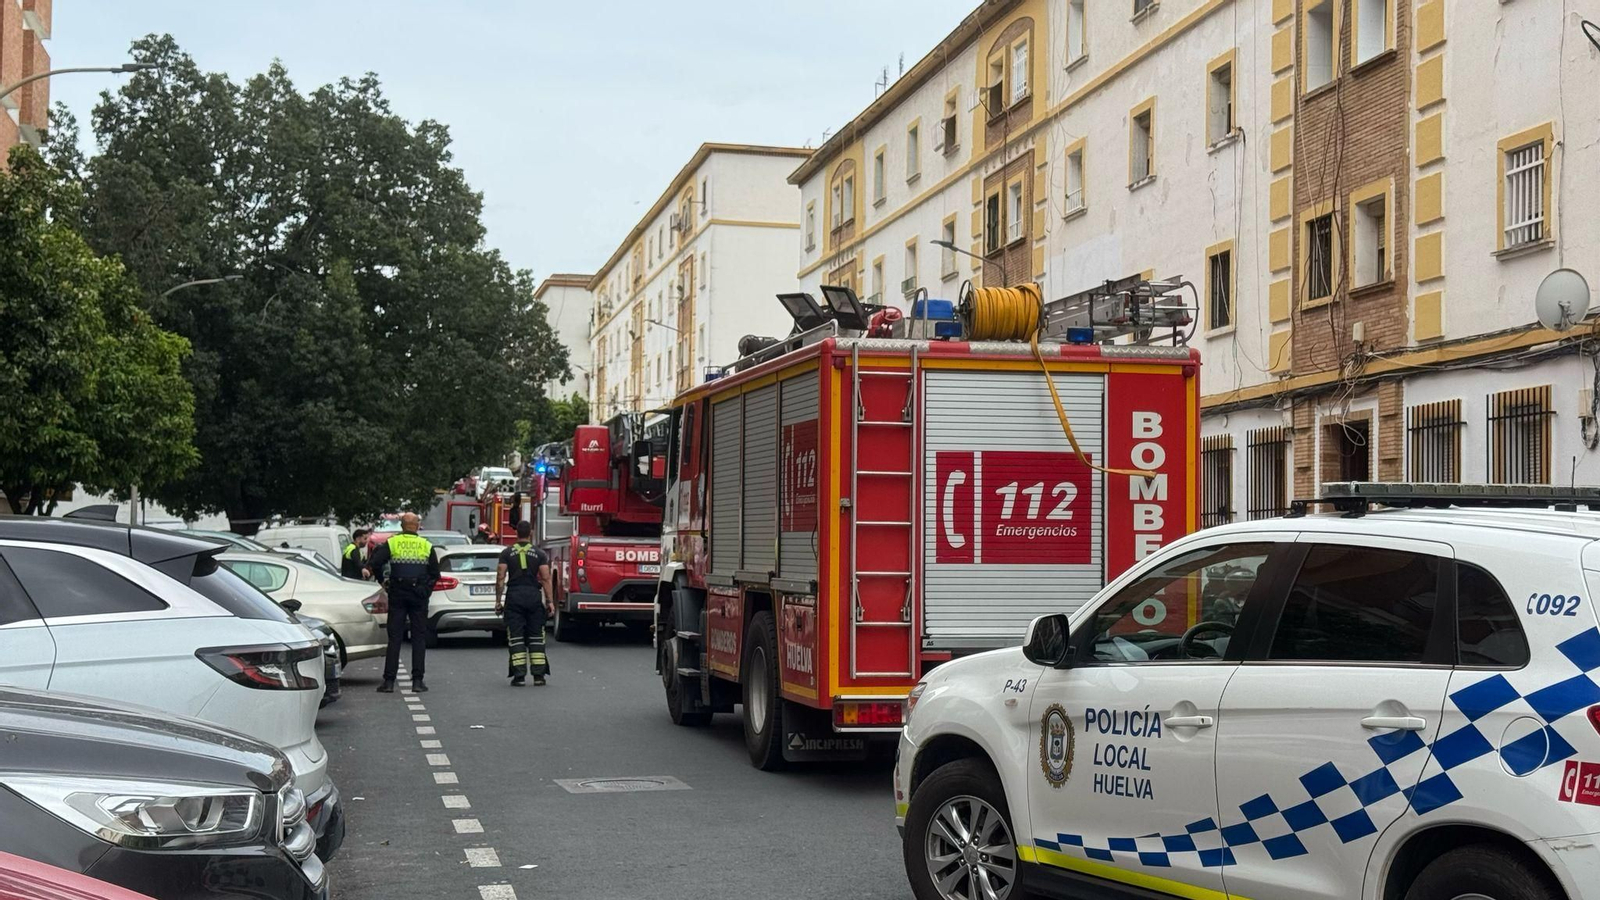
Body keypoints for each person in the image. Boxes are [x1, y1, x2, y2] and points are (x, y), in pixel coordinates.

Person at [364, 512, 440, 693]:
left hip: (398, 592)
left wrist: (384, 581)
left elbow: (375, 563)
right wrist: (426, 591)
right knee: (419, 637)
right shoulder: (426, 545)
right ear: (417, 525)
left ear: (402, 526)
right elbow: (435, 574)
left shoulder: (393, 542)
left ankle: (389, 682)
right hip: (418, 595)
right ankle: (418, 682)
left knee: (395, 638)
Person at [494, 520, 554, 686]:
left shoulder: (507, 553)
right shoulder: (540, 554)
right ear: (531, 534)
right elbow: (546, 578)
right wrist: (550, 601)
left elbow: (500, 577)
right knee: (536, 636)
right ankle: (539, 676)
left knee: (516, 636)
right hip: (533, 596)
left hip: (514, 597)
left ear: (516, 533)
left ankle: (519, 676)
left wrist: (498, 601)